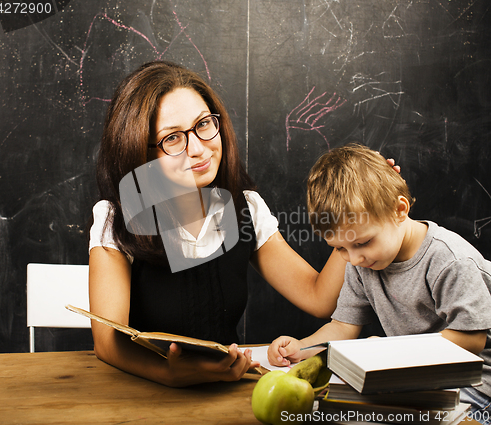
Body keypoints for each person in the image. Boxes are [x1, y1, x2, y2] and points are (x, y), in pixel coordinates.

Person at [89, 60, 350, 387]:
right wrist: (169, 374)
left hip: (228, 391)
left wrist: (361, 214)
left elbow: (318, 297)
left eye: (203, 124)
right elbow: (107, 341)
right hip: (147, 395)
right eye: (172, 139)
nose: (198, 149)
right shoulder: (116, 217)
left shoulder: (246, 208)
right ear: (141, 152)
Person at [268, 143, 491, 420]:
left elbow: (471, 340)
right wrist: (300, 348)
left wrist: (389, 351)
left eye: (362, 242)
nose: (354, 258)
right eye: (339, 248)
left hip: (477, 387)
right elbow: (343, 327)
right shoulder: (362, 262)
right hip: (418, 377)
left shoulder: (449, 261)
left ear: (399, 210)